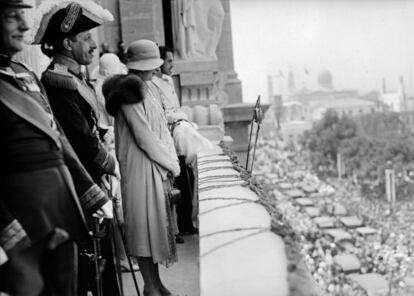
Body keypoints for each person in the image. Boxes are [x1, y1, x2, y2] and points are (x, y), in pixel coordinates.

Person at [0, 1, 112, 295]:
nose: (24, 27)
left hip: (60, 205)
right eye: (13, 18)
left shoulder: (23, 73)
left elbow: (58, 139)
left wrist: (93, 195)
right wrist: (8, 232)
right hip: (22, 215)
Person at [32, 1, 120, 295]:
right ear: (67, 43)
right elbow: (81, 141)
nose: (94, 46)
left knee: (102, 259)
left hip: (92, 174)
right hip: (81, 183)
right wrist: (112, 164)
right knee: (92, 265)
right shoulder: (59, 81)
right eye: (86, 39)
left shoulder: (74, 76)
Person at [103, 39, 181, 296]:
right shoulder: (129, 93)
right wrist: (170, 162)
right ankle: (150, 286)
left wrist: (169, 161)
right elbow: (144, 136)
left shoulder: (145, 88)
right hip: (141, 167)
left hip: (152, 165)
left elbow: (158, 130)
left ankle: (156, 284)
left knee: (154, 228)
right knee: (145, 229)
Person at [151, 45, 213, 235]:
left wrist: (181, 116)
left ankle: (194, 219)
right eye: (169, 61)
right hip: (171, 135)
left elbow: (175, 108)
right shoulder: (152, 84)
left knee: (195, 171)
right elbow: (163, 114)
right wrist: (179, 117)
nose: (172, 64)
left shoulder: (168, 81)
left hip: (182, 125)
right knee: (183, 183)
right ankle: (186, 223)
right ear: (159, 63)